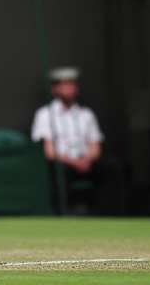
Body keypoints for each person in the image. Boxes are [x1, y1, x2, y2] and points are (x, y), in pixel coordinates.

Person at [31, 67, 103, 214]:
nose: (69, 89)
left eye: (72, 85)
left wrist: (86, 160)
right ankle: (64, 214)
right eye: (64, 85)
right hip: (62, 164)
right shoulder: (45, 114)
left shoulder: (86, 114)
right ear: (55, 89)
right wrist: (73, 162)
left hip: (86, 163)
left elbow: (95, 146)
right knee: (59, 175)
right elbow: (48, 151)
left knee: (109, 171)